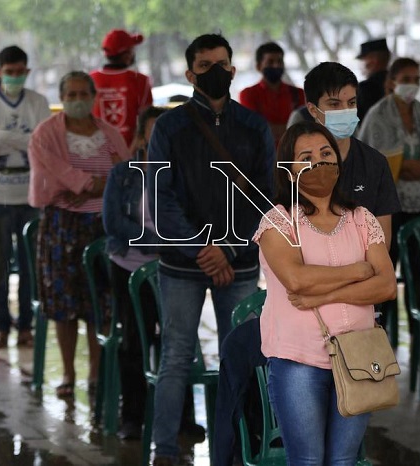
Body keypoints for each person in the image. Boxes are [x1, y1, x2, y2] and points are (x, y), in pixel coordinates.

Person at [147, 33, 275, 465]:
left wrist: (229, 249)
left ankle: (237, 451)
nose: (215, 71)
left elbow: (265, 198)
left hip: (236, 264)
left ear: (233, 69)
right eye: (204, 66)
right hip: (182, 263)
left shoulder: (255, 127)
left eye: (221, 63)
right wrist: (203, 247)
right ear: (190, 74)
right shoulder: (169, 127)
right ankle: (164, 450)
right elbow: (159, 199)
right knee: (177, 355)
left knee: (239, 357)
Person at [254, 121, 396, 463]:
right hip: (299, 362)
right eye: (306, 157)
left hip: (360, 358)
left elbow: (387, 286)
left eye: (326, 153)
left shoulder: (363, 218)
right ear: (289, 172)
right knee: (307, 462)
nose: (319, 163)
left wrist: (322, 296)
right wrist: (358, 271)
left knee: (344, 461)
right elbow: (297, 280)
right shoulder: (278, 222)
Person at [102, 106, 204, 441]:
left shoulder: (187, 175)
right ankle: (132, 416)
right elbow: (114, 224)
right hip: (131, 268)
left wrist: (172, 244)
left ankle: (181, 419)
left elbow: (197, 221)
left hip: (174, 268)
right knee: (135, 340)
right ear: (143, 136)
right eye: (154, 130)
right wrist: (158, 241)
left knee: (178, 342)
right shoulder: (124, 174)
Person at [28, 71, 129, 399]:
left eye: (82, 93)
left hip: (104, 227)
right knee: (65, 302)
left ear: (93, 95)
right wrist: (94, 184)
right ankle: (69, 373)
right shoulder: (46, 134)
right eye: (69, 94)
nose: (76, 100)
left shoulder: (110, 133)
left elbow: (126, 175)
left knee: (100, 301)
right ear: (62, 97)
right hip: (62, 228)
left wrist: (92, 187)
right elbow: (55, 177)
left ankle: (97, 372)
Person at [357, 57, 420, 345]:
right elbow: (370, 157)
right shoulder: (378, 115)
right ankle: (382, 341)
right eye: (406, 78)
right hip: (388, 211)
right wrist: (401, 165)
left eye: (416, 78)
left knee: (419, 272)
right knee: (385, 273)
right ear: (391, 82)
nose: (412, 84)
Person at [0, 45, 50, 349]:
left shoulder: (38, 102)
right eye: (9, 72)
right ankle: (2, 327)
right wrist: (23, 142)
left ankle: (26, 327)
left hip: (30, 197)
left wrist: (1, 136)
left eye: (20, 72)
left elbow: (42, 145)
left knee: (30, 266)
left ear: (27, 72)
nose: (15, 77)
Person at [303, 61, 400, 250]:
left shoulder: (375, 163)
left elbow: (382, 241)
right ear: (313, 109)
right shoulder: (294, 165)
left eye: (351, 103)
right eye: (334, 104)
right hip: (313, 275)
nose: (345, 111)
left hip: (365, 275)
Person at [91, 29, 153, 148]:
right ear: (127, 54)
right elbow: (147, 123)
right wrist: (129, 155)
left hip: (96, 154)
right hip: (132, 153)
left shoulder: (90, 79)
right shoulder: (141, 81)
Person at [239, 41, 305, 146]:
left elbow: (304, 129)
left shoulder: (298, 93)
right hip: (262, 157)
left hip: (293, 155)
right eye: (270, 62)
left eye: (279, 61)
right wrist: (290, 128)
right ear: (258, 66)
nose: (276, 65)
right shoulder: (248, 94)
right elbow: (255, 129)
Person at [355, 38, 390, 121]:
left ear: (374, 60)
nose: (361, 64)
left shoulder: (365, 88)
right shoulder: (396, 84)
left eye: (363, 59)